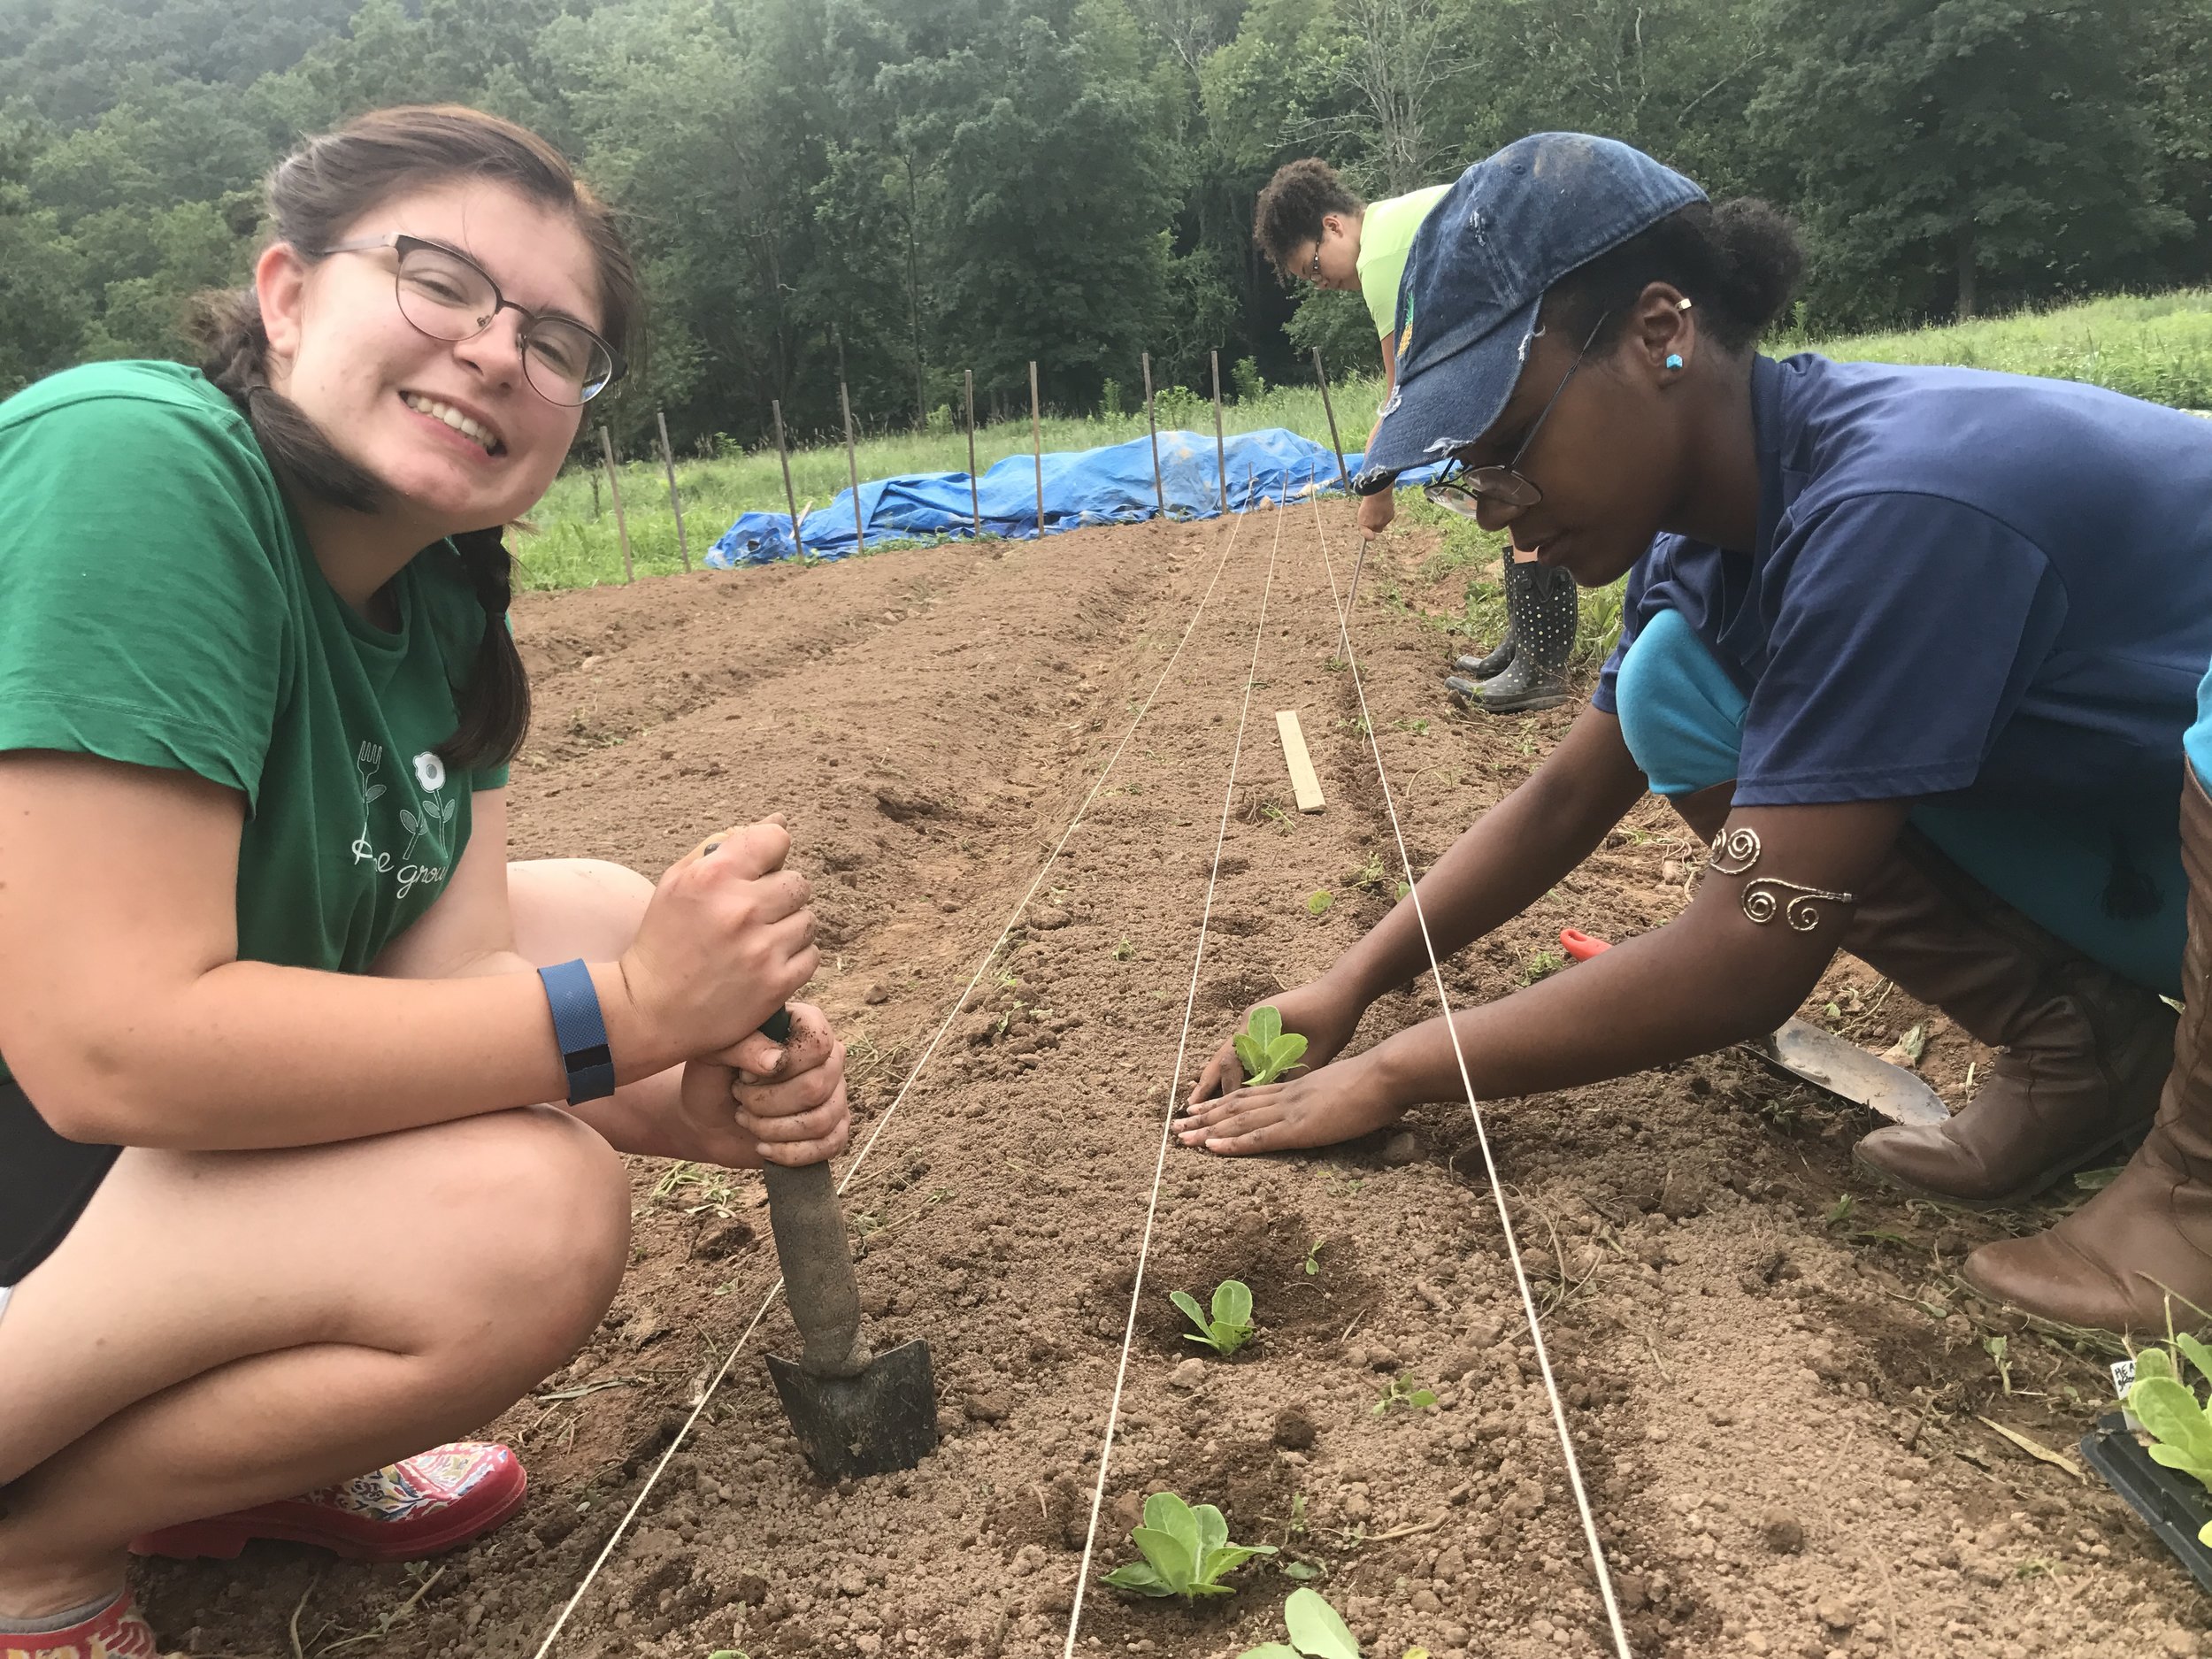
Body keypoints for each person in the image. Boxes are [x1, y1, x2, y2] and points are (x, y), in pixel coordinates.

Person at [0, 106, 850, 1656]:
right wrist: (640, 1007)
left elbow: (451, 991)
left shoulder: (442, 606)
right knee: (524, 1219)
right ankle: (35, 1544)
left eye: (553, 344)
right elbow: (102, 1042)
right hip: (42, 1115)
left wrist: (674, 1079)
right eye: (443, 281)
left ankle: (212, 1470)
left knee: (587, 917)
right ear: (287, 292)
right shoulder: (137, 460)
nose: (490, 352)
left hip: (75, 1161)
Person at [1186, 131, 2212, 1340]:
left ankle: (2194, 1192)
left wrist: (1400, 1068)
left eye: (1509, 449)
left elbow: (1743, 959)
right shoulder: (1719, 525)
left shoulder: (1897, 507)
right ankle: (2083, 1046)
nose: (1498, 514)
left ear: (1660, 334)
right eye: (1476, 476)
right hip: (2148, 843)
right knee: (1678, 682)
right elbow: (1568, 797)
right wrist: (1353, 981)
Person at [1253, 157, 1581, 715]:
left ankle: (1541, 666)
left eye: (1312, 267)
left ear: (1333, 227)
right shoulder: (1389, 227)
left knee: (1522, 467)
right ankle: (1529, 645)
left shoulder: (1382, 259)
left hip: (1558, 313)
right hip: (1540, 310)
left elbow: (1401, 396)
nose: (1321, 283)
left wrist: (1377, 489)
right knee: (1512, 465)